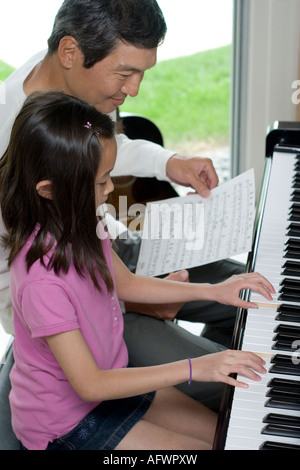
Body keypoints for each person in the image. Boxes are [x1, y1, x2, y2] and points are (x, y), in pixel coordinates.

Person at [0, 0, 244, 410]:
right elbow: (15, 288)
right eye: (126, 73)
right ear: (71, 52)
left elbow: (103, 150)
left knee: (247, 290)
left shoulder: (55, 74)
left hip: (104, 253)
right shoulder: (10, 137)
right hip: (76, 308)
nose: (135, 90)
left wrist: (171, 163)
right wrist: (133, 303)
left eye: (142, 73)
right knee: (232, 383)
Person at [0, 91, 273, 450]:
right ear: (49, 190)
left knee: (225, 438)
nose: (111, 189)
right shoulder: (40, 281)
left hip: (113, 383)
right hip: (67, 424)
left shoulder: (81, 220)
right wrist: (197, 367)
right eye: (100, 183)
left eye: (109, 175)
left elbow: (126, 283)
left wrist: (214, 289)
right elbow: (90, 384)